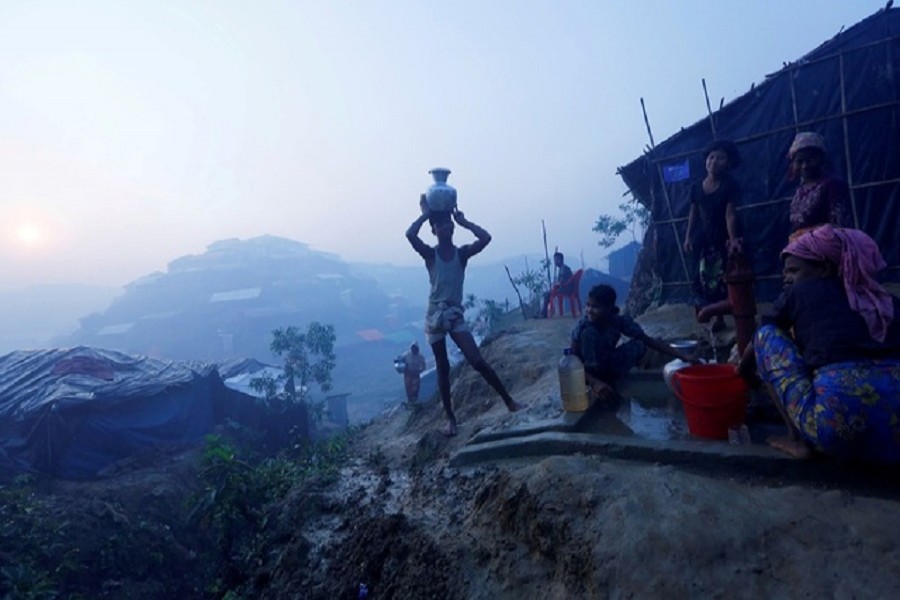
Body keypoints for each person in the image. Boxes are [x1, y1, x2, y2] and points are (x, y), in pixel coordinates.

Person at [738, 224, 900, 462]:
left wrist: (742, 367)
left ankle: (797, 439)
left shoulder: (800, 293)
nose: (787, 279)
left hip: (837, 424)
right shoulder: (887, 300)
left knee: (766, 335)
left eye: (793, 271)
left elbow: (762, 336)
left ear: (824, 269)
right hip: (895, 429)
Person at [406, 204, 524, 436]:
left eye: (447, 222)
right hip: (435, 316)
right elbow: (410, 235)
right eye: (439, 224)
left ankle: (510, 402)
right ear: (434, 230)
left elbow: (486, 237)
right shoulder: (431, 254)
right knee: (443, 368)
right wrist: (426, 215)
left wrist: (464, 221)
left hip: (455, 313)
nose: (445, 227)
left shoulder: (461, 253)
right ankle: (450, 418)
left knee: (477, 360)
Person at [571, 284, 698, 406]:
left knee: (638, 344)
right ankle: (602, 382)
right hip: (586, 373)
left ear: (609, 308)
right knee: (589, 334)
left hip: (607, 363)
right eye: (588, 305)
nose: (589, 311)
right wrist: (594, 382)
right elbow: (572, 361)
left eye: (595, 307)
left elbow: (648, 341)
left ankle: (612, 379)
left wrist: (683, 356)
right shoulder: (584, 327)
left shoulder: (618, 321)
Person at [683, 140, 743, 332]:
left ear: (729, 163)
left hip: (723, 236)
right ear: (705, 161)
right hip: (703, 237)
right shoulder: (696, 187)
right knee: (701, 276)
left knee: (721, 277)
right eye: (711, 157)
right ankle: (704, 313)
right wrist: (688, 237)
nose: (714, 161)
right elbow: (693, 213)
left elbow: (730, 214)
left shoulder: (730, 185)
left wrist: (733, 240)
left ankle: (719, 317)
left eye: (720, 157)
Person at [786, 131, 852, 240]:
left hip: (827, 249)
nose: (804, 166)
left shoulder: (833, 185)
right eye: (799, 161)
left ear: (821, 159)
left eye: (810, 160)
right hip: (802, 248)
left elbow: (841, 228)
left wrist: (804, 236)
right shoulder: (800, 190)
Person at [541, 251, 576, 318]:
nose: (555, 262)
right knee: (547, 293)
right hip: (566, 288)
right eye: (554, 260)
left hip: (566, 289)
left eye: (556, 260)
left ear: (560, 260)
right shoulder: (563, 268)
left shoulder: (563, 268)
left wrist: (555, 285)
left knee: (547, 294)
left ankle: (545, 313)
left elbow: (562, 282)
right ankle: (545, 312)